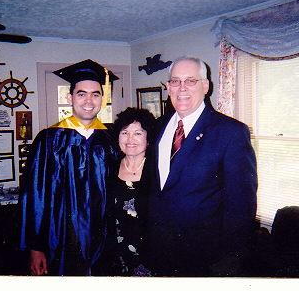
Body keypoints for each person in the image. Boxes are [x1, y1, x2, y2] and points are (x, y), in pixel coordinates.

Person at [141, 56, 258, 276]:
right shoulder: (159, 126)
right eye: (175, 81)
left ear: (206, 86)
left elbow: (241, 206)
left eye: (191, 81)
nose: (181, 88)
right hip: (159, 252)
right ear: (168, 88)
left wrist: (229, 260)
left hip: (204, 258)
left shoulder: (231, 132)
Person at [19, 59, 119, 276]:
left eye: (95, 94)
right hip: (62, 237)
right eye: (81, 93)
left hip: (103, 239)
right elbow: (35, 195)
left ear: (103, 98)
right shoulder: (49, 140)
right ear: (70, 97)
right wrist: (36, 246)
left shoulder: (110, 140)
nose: (89, 100)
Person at [104, 107, 156, 276]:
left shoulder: (158, 170)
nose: (130, 139)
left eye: (138, 133)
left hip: (150, 255)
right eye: (125, 133)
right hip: (115, 254)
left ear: (148, 138)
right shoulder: (109, 167)